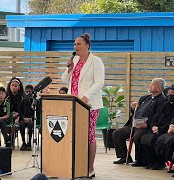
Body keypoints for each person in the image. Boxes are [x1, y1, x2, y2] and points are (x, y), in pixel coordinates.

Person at [61, 33, 105, 177]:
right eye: (74, 44)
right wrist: (69, 69)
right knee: (74, 134)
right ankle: (76, 165)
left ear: (87, 46)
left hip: (89, 104)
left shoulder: (96, 61)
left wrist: (85, 98)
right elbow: (64, 80)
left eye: (79, 44)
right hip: (72, 103)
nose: (76, 46)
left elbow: (99, 82)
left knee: (89, 135)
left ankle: (90, 168)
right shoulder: (75, 59)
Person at [112, 78, 167, 166]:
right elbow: (135, 112)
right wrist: (133, 108)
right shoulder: (144, 98)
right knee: (117, 133)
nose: (150, 85)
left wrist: (146, 124)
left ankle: (139, 159)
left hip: (146, 126)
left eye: (152, 84)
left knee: (138, 136)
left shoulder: (163, 101)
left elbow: (159, 116)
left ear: (159, 89)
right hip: (134, 124)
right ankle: (124, 157)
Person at [140, 84, 174, 169]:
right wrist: (153, 126)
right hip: (157, 128)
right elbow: (156, 116)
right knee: (144, 137)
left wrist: (159, 129)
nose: (170, 95)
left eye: (173, 93)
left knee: (155, 139)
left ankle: (159, 163)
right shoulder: (165, 104)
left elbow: (173, 121)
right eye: (169, 93)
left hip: (167, 130)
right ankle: (149, 161)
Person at [19, 85, 34, 151]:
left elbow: (36, 112)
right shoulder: (22, 101)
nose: (28, 93)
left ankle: (29, 143)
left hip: (31, 119)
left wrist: (31, 118)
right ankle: (23, 142)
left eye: (30, 91)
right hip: (23, 118)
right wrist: (23, 118)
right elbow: (20, 111)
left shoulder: (34, 101)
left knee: (30, 125)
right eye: (27, 91)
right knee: (21, 125)